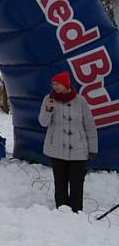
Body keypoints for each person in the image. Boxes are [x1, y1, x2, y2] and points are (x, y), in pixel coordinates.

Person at [38, 71, 98, 212]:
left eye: (58, 84)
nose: (55, 87)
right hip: (57, 149)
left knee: (77, 184)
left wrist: (93, 147)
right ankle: (62, 212)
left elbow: (89, 125)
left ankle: (77, 212)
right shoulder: (49, 99)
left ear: (66, 84)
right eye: (53, 84)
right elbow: (43, 123)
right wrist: (48, 109)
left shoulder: (80, 100)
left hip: (78, 150)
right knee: (60, 183)